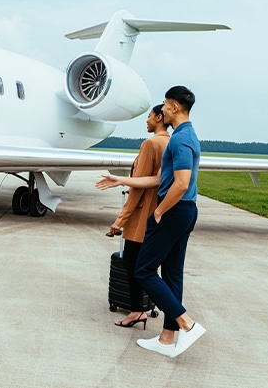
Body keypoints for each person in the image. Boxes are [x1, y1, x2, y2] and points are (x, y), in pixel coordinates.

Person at [96, 86, 205, 357]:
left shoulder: (179, 140)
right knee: (171, 275)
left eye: (165, 105)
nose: (162, 109)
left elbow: (179, 185)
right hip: (184, 211)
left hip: (173, 212)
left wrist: (159, 211)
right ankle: (167, 338)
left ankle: (187, 324)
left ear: (174, 108)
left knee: (143, 270)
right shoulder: (184, 136)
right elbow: (160, 179)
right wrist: (120, 179)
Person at [99, 104, 169, 329]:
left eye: (149, 116)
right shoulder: (169, 143)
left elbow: (139, 187)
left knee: (132, 262)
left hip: (143, 215)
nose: (146, 120)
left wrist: (120, 221)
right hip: (158, 213)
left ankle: (145, 310)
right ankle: (142, 309)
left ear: (159, 117)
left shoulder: (150, 144)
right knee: (143, 263)